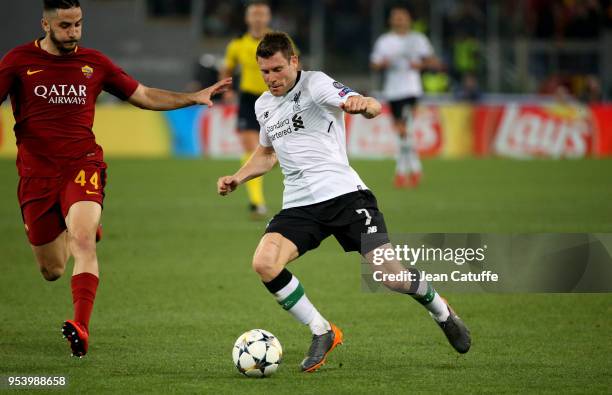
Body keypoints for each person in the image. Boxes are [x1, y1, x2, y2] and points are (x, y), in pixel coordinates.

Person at [217, 32, 471, 373]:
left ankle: (442, 311)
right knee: (265, 263)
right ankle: (322, 331)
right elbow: (266, 155)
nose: (271, 78)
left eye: (277, 69)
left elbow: (367, 103)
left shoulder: (315, 84)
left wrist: (364, 104)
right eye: (264, 71)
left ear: (294, 61)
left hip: (345, 197)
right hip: (299, 206)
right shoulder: (263, 106)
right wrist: (238, 177)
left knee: (389, 276)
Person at [0, 0, 231, 358]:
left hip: (83, 165)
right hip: (36, 175)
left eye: (78, 24)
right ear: (45, 24)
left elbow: (142, 95)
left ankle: (81, 326)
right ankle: (75, 221)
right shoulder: (17, 62)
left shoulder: (94, 64)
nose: (74, 32)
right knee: (52, 269)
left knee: (83, 243)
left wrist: (191, 98)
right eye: (65, 26)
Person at [370, 4, 442, 188]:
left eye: (402, 17)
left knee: (404, 130)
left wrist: (422, 65)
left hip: (411, 90)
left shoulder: (418, 39)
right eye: (395, 17)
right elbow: (375, 64)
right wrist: (384, 63)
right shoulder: (385, 41)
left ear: (409, 19)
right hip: (393, 91)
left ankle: (401, 173)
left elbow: (432, 61)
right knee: (403, 133)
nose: (399, 20)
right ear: (391, 20)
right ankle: (415, 169)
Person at [220, 0, 272, 219]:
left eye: (262, 14)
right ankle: (257, 202)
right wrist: (227, 89)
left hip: (276, 99)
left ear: (268, 18)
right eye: (254, 14)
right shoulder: (237, 45)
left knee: (275, 152)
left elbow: (295, 66)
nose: (258, 18)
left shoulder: (278, 41)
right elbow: (227, 68)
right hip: (249, 100)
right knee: (252, 149)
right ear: (248, 18)